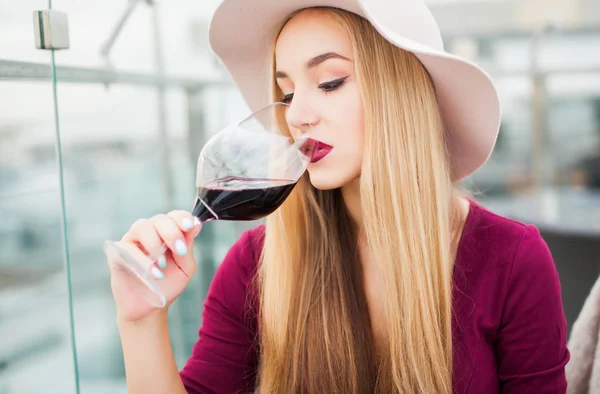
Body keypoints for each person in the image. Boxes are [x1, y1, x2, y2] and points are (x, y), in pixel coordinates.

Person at [108, 0, 570, 393]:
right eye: (286, 94)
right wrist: (141, 321)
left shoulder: (511, 261)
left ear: (400, 91)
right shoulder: (256, 265)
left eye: (330, 82)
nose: (298, 116)